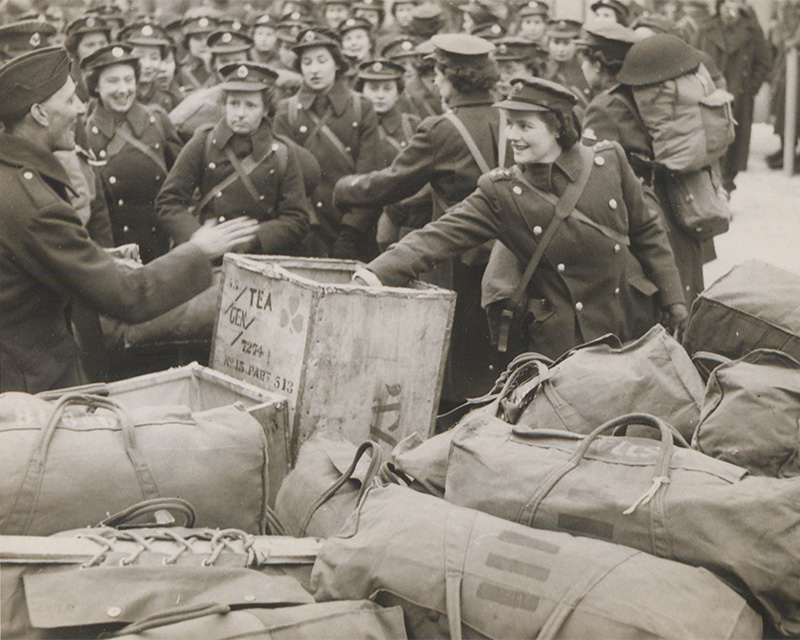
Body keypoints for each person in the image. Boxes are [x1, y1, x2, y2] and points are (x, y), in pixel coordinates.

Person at [355, 76, 687, 363]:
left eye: (525, 126)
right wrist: (374, 273)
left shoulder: (608, 161)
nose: (512, 135)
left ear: (557, 127)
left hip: (631, 320)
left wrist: (674, 300)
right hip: (568, 341)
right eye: (509, 124)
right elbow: (438, 236)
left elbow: (648, 233)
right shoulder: (503, 192)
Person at [0, 46, 258, 393]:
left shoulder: (12, 176)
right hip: (32, 384)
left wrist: (102, 259)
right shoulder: (36, 203)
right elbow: (128, 297)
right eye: (70, 99)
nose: (80, 107)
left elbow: (27, 263)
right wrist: (198, 249)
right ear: (39, 114)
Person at [333, 33, 510, 402]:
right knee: (497, 359)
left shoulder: (440, 129)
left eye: (438, 74)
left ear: (447, 78)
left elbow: (392, 183)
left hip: (456, 262)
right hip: (510, 259)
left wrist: (345, 188)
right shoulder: (513, 119)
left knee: (453, 368)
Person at [156, 61, 311, 254]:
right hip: (208, 256)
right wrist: (198, 238)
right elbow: (168, 201)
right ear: (224, 105)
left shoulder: (281, 152)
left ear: (265, 110)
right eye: (234, 103)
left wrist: (255, 238)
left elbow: (297, 218)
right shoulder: (203, 142)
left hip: (259, 258)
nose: (240, 114)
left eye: (250, 105)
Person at [273, 27, 381, 259]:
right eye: (307, 62)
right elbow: (284, 181)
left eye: (322, 60)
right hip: (304, 231)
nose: (314, 69)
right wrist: (307, 223)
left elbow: (368, 174)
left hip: (353, 230)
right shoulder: (286, 111)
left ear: (338, 64)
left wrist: (351, 231)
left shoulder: (362, 107)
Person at [82, 43, 184, 263]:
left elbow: (182, 181)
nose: (123, 89)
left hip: (162, 245)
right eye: (113, 81)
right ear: (96, 87)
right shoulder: (86, 134)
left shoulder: (157, 121)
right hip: (116, 251)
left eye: (129, 80)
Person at [698, 0, 771, 193]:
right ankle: (710, 192)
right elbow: (692, 57)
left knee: (734, 149)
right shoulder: (706, 28)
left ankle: (726, 189)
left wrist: (749, 89)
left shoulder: (752, 31)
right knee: (708, 146)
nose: (730, 7)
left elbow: (763, 63)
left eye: (735, 1)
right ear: (719, 5)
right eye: (726, 1)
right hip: (709, 97)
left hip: (739, 99)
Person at [119, 22, 182, 112]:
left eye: (154, 58)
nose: (147, 65)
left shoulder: (171, 101)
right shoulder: (116, 98)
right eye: (140, 57)